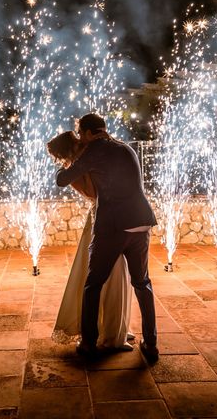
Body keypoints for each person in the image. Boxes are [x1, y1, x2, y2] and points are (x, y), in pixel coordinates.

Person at [55, 113, 159, 362]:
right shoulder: (126, 148)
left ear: (90, 133)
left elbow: (62, 180)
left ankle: (89, 344)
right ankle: (151, 344)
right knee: (142, 284)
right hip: (142, 223)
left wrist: (68, 161)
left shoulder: (95, 150)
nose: (82, 139)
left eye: (82, 134)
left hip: (113, 227)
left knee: (93, 285)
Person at [47, 131, 133, 351]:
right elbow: (94, 192)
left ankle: (114, 327)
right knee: (109, 275)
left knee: (115, 274)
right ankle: (108, 333)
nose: (81, 142)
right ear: (73, 146)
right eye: (77, 140)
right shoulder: (77, 169)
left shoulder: (84, 162)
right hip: (103, 219)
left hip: (109, 216)